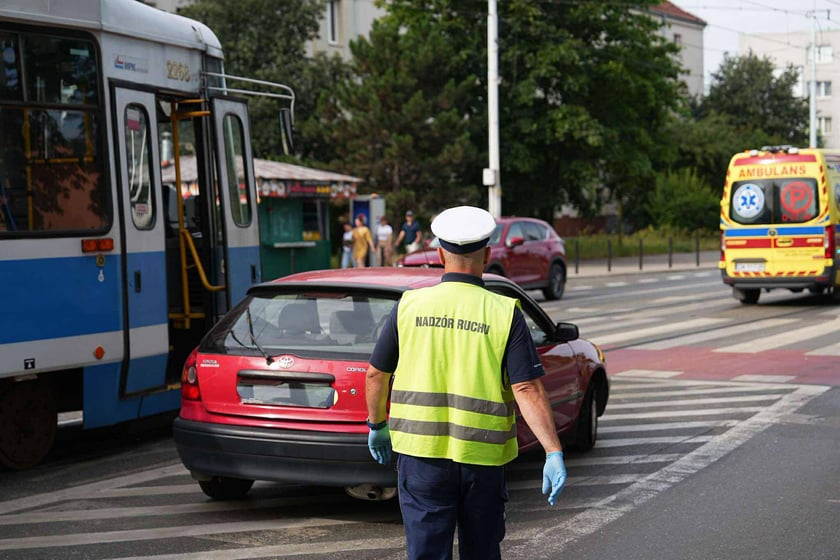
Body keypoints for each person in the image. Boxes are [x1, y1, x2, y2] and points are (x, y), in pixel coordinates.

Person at [365, 206, 566, 560]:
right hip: (482, 460)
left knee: (426, 553)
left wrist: (377, 425)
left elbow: (376, 374)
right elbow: (526, 388)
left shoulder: (409, 305)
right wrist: (553, 451)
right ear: (487, 255)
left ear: (440, 254)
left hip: (421, 457)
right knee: (482, 551)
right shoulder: (504, 312)